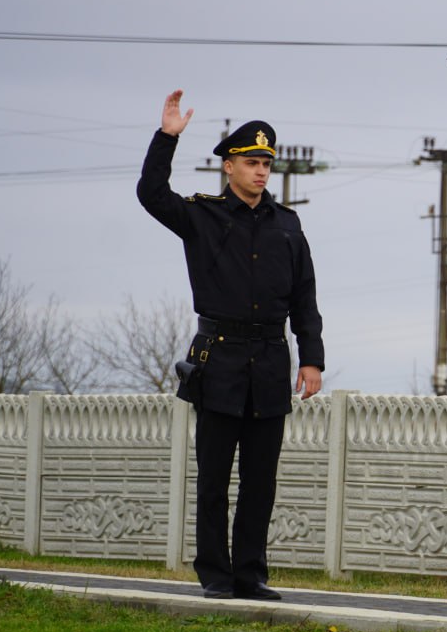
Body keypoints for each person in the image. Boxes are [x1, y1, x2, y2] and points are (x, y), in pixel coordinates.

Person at [137, 90, 325, 601]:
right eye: (251, 162)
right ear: (229, 167)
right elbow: (151, 194)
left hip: (268, 360)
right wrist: (166, 138)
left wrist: (311, 358)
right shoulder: (203, 216)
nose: (261, 171)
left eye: (266, 163)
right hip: (217, 359)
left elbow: (305, 296)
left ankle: (250, 575)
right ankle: (216, 576)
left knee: (260, 482)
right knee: (215, 479)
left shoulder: (288, 224)